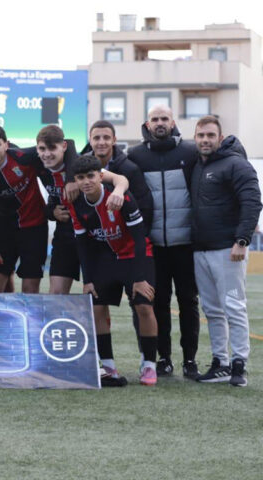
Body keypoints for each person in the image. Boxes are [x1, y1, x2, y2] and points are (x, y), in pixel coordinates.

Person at [69, 155, 159, 387]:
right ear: (75, 181)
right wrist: (88, 279)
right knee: (97, 307)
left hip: (135, 255)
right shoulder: (76, 203)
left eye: (90, 176)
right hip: (105, 259)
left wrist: (139, 278)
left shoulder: (120, 197)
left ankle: (149, 364)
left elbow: (139, 238)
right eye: (80, 178)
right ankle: (108, 365)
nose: (86, 181)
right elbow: (82, 244)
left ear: (101, 176)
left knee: (143, 305)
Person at [127, 105, 200, 378]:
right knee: (159, 304)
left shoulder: (190, 152)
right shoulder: (135, 155)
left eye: (164, 119)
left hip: (185, 244)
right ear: (148, 124)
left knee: (188, 302)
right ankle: (164, 358)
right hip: (154, 244)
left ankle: (190, 360)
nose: (160, 123)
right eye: (155, 119)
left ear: (173, 122)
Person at [190, 116, 261, 387]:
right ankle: (220, 363)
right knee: (212, 310)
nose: (205, 140)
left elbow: (252, 201)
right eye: (201, 135)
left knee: (233, 306)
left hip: (228, 250)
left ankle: (239, 363)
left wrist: (242, 240)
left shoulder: (236, 164)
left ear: (220, 138)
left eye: (210, 135)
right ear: (195, 138)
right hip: (201, 250)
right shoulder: (197, 165)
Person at [35, 125, 129, 294]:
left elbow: (120, 179)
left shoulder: (80, 165)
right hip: (65, 237)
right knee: (56, 294)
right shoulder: (39, 164)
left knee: (97, 299)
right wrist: (52, 213)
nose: (47, 154)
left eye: (52, 148)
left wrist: (118, 192)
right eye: (42, 149)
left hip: (92, 238)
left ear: (63, 146)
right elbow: (51, 202)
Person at [0, 126, 47, 293]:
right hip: (5, 231)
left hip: (35, 228)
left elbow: (66, 144)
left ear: (6, 144)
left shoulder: (24, 157)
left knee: (30, 288)